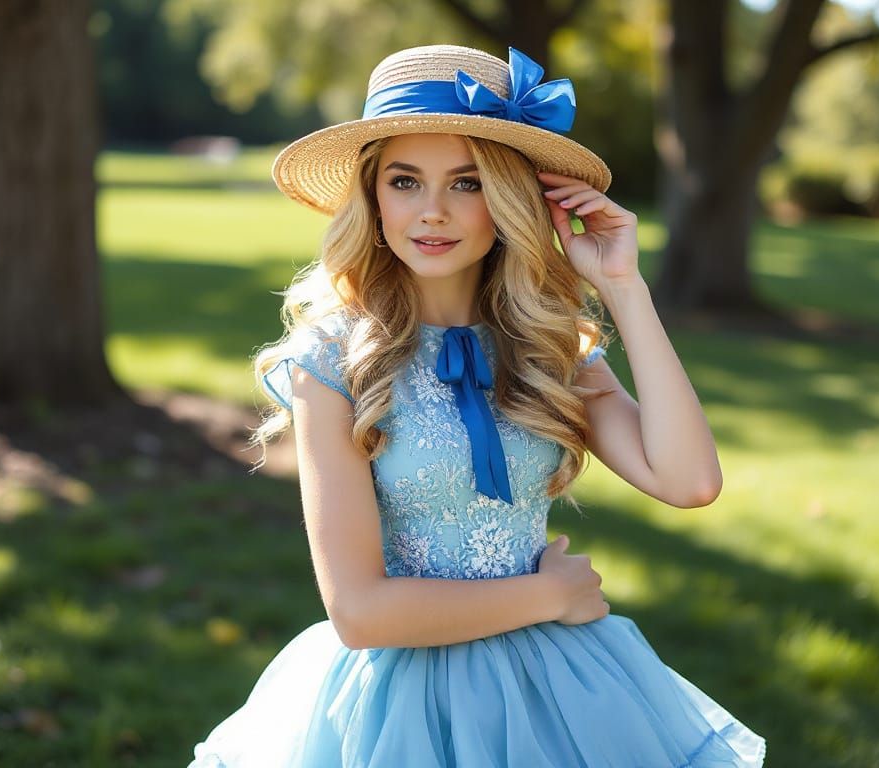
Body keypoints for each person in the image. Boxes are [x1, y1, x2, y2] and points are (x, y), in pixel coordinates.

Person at [188, 44, 766, 767]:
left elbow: (689, 482)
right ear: (372, 198)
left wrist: (624, 288)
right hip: (399, 701)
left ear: (509, 198)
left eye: (465, 182)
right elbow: (360, 612)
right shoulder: (332, 359)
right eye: (405, 181)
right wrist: (547, 597)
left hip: (554, 688)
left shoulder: (546, 347)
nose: (432, 212)